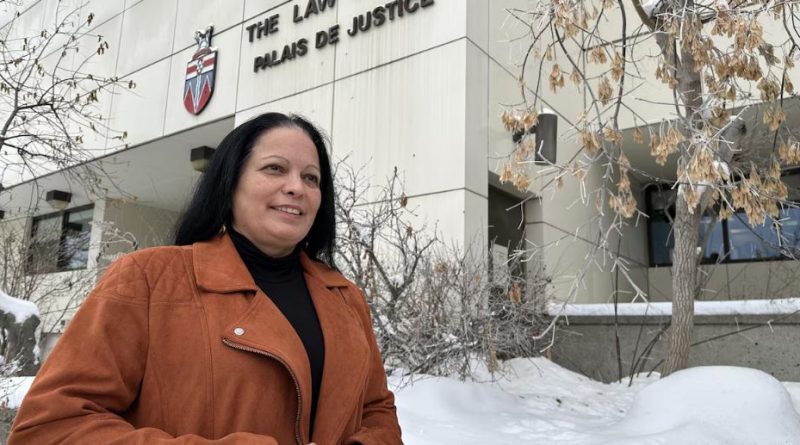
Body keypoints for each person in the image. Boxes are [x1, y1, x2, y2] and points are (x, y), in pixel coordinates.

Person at [9, 112, 403, 445]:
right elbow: (49, 427)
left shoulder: (345, 297)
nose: (296, 187)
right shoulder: (147, 280)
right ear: (230, 183)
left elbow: (376, 410)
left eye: (312, 178)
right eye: (275, 168)